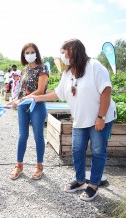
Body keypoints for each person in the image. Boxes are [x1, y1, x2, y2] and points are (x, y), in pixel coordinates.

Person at [28, 39, 116, 201]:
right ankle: (81, 179)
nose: (62, 56)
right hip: (81, 119)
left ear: (74, 51)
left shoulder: (94, 66)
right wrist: (36, 98)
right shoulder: (67, 73)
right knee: (77, 150)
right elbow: (58, 93)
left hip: (99, 117)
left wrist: (101, 117)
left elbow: (106, 91)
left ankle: (93, 185)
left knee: (97, 151)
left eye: (64, 52)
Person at [7, 42, 48, 181]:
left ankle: (39, 166)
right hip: (23, 106)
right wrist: (13, 101)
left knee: (38, 136)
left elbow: (40, 91)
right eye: (27, 52)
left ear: (36, 53)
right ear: (23, 55)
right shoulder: (23, 71)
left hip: (37, 105)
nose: (30, 54)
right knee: (22, 136)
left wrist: (22, 99)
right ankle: (19, 166)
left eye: (32, 52)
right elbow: (21, 91)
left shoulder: (42, 68)